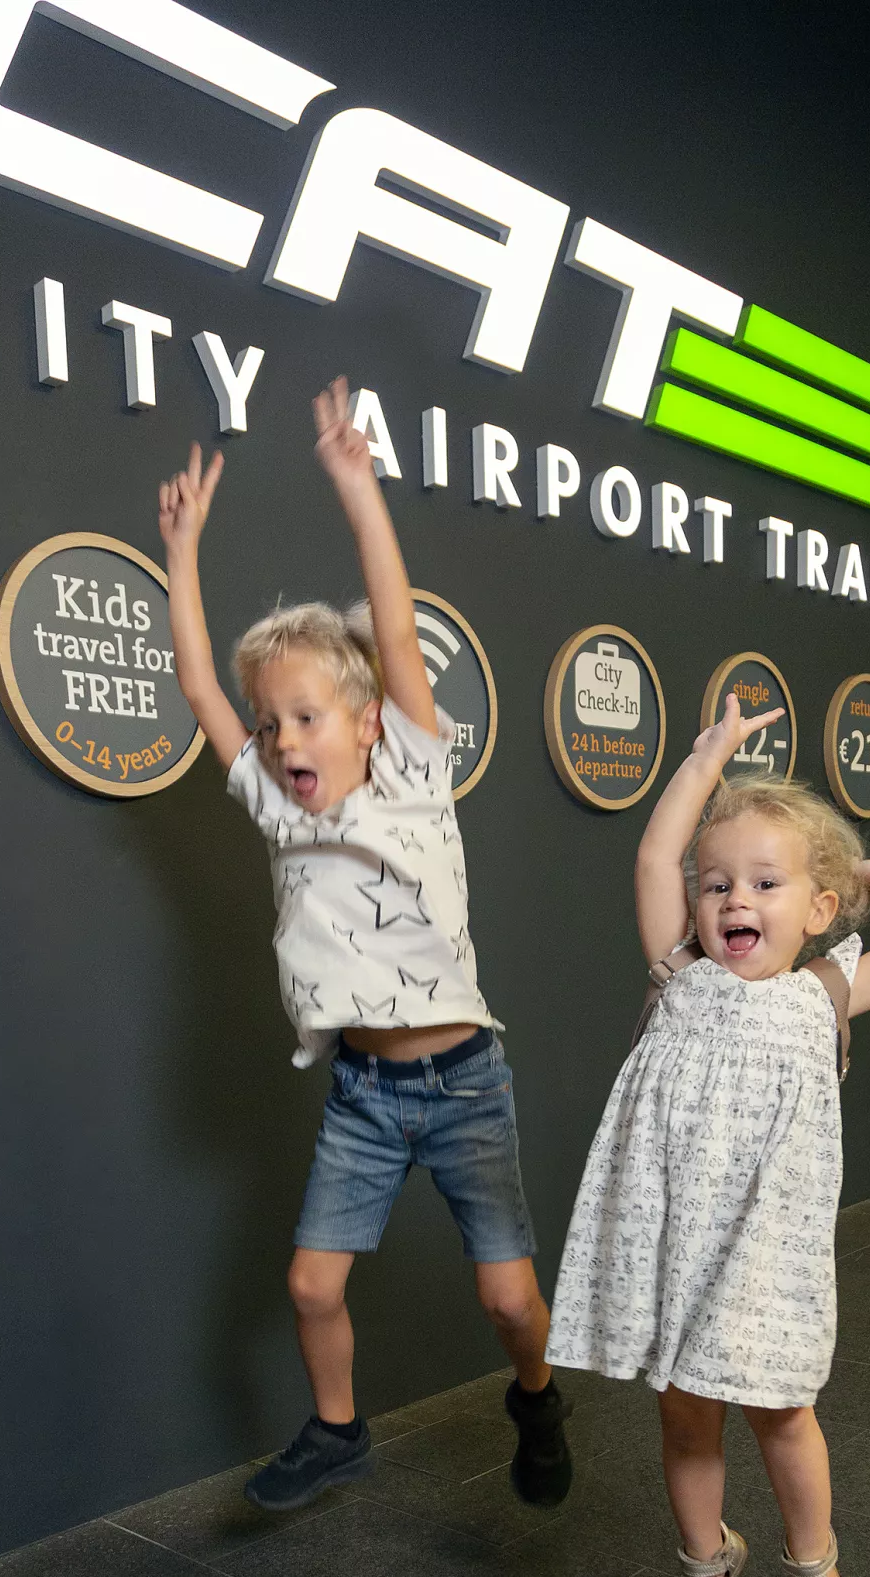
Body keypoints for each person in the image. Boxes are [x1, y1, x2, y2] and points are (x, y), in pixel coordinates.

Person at [158, 379, 571, 1514]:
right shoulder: (274, 805)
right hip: (364, 1093)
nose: (284, 738)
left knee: (507, 1303)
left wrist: (358, 488)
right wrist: (183, 553)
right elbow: (197, 684)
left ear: (369, 722)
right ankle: (337, 1430)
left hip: (465, 1084)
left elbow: (391, 629)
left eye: (307, 716)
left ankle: (537, 1397)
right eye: (271, 721)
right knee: (309, 1284)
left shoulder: (414, 776)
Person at [545, 695, 870, 1577]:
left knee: (781, 1415)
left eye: (766, 884)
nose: (735, 900)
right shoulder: (677, 978)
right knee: (684, 1413)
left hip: (768, 1257)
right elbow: (655, 858)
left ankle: (815, 1570)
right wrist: (706, 759)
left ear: (817, 911)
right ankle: (704, 1561)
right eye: (718, 884)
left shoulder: (823, 995)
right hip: (676, 1247)